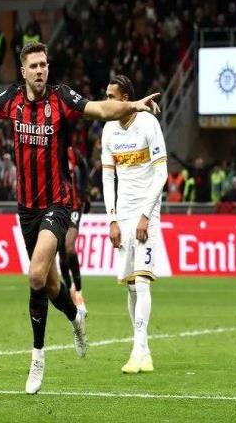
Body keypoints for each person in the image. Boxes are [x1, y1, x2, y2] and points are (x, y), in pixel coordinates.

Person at [0, 42, 160, 394]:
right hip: (26, 208)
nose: (41, 70)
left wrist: (132, 105)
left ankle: (37, 359)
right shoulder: (12, 99)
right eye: (34, 66)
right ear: (23, 71)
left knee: (35, 274)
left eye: (44, 64)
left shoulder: (62, 98)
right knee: (51, 284)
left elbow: (100, 108)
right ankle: (75, 317)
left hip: (57, 203)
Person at [101, 75, 167, 375]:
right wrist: (112, 219)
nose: (107, 101)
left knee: (142, 281)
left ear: (126, 98)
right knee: (130, 285)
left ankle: (137, 350)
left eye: (111, 96)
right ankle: (145, 351)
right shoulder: (108, 129)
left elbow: (161, 174)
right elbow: (107, 177)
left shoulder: (148, 124)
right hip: (124, 214)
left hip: (147, 211)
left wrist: (145, 215)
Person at [59, 146, 90, 314]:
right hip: (56, 208)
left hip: (74, 207)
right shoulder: (48, 149)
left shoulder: (71, 152)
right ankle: (70, 289)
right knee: (62, 252)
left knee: (69, 246)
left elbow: (84, 167)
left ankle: (78, 292)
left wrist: (85, 193)